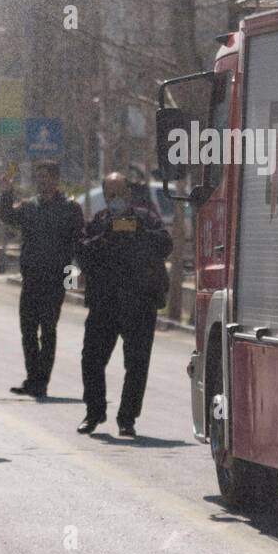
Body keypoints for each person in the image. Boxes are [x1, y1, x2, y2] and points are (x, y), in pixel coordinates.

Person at [75, 172, 172, 438]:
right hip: (104, 305)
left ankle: (127, 418)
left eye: (119, 193)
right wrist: (104, 236)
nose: (115, 199)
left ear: (129, 194)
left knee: (137, 364)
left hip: (139, 304)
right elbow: (81, 254)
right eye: (110, 195)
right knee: (92, 359)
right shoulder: (98, 223)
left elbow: (166, 245)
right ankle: (94, 412)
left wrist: (140, 233)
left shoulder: (147, 219)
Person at [0, 160, 84, 398]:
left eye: (46, 177)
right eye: (39, 177)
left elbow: (78, 245)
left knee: (48, 330)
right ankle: (32, 377)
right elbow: (7, 216)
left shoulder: (69, 208)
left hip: (55, 281)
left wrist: (73, 280)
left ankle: (42, 381)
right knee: (27, 331)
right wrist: (6, 192)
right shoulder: (29, 207)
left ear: (56, 179)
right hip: (31, 279)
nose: (42, 181)